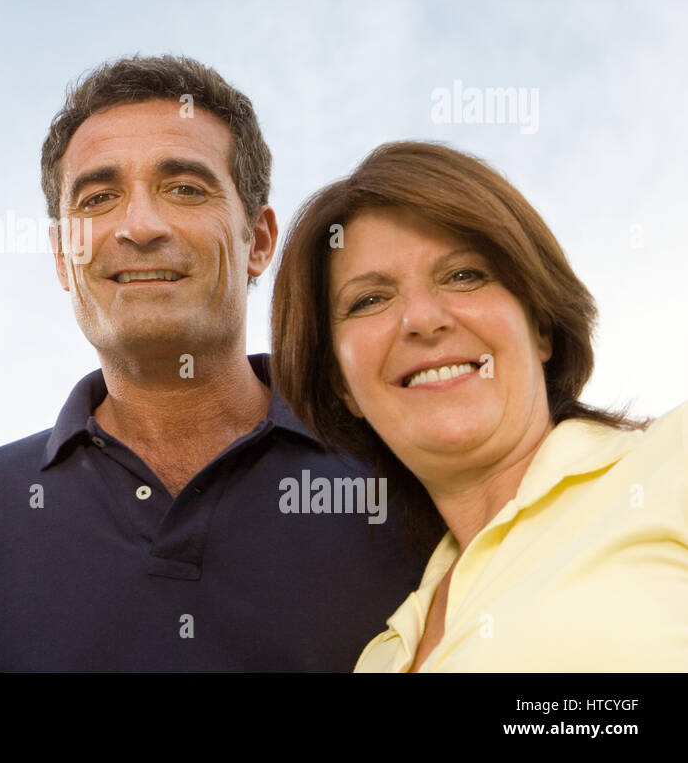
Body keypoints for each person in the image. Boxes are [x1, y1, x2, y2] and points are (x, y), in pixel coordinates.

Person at [0, 55, 434, 671]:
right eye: (98, 198)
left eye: (184, 189)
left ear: (257, 241)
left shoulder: (407, 474)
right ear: (64, 259)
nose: (139, 226)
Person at [270, 140, 688, 672]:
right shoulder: (382, 656)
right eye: (369, 300)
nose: (423, 318)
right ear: (341, 385)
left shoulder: (673, 461)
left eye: (464, 275)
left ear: (539, 324)